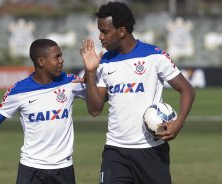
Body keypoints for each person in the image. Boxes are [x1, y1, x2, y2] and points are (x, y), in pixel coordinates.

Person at [80, 1, 195, 184]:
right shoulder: (103, 62)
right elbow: (94, 110)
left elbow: (187, 89)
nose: (100, 37)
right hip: (115, 150)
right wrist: (91, 73)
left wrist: (178, 123)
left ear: (122, 31)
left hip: (151, 150)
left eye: (105, 32)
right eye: (99, 31)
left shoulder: (154, 56)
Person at [0, 39, 86, 184]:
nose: (62, 61)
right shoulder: (18, 91)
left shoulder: (70, 82)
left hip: (63, 168)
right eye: (56, 57)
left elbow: (100, 99)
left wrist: (92, 75)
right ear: (41, 61)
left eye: (61, 56)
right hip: (31, 169)